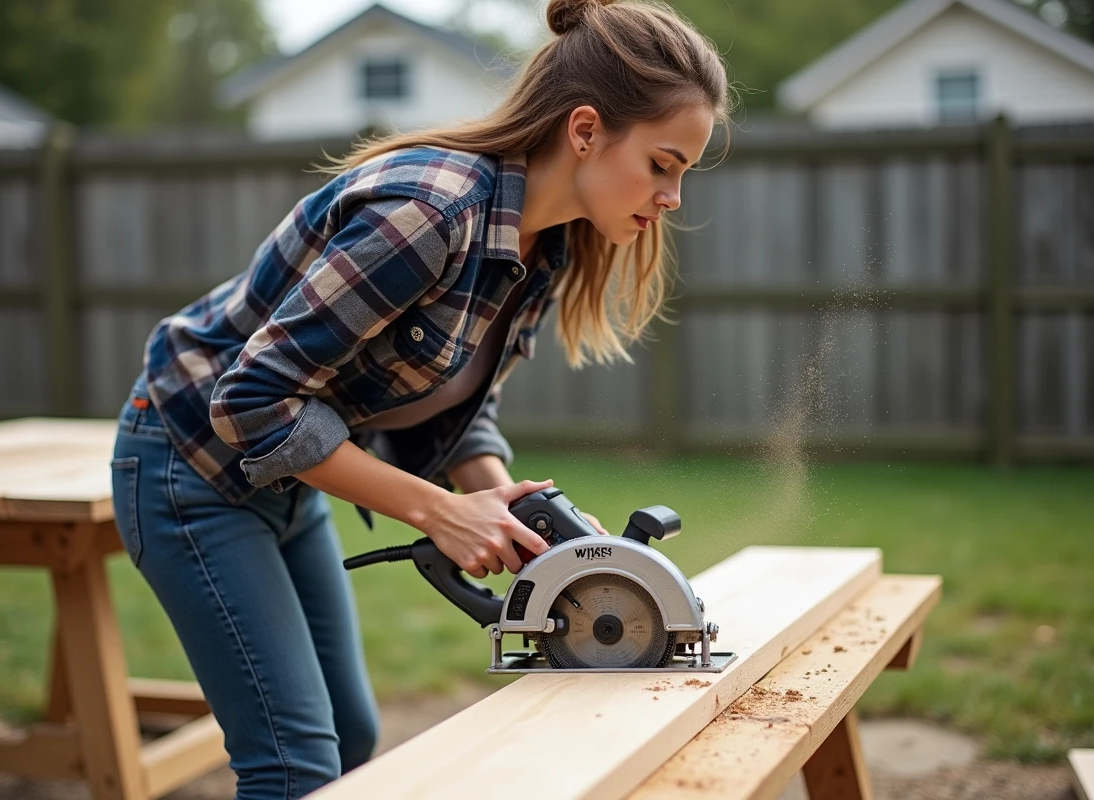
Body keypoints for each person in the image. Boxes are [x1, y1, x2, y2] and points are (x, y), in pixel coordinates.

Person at [109, 0, 730, 796]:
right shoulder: (432, 214)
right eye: (663, 164)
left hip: (294, 475)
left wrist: (502, 502)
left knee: (352, 737)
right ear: (585, 132)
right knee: (294, 763)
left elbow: (456, 404)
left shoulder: (548, 244)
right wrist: (439, 512)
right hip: (190, 464)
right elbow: (253, 400)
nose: (674, 197)